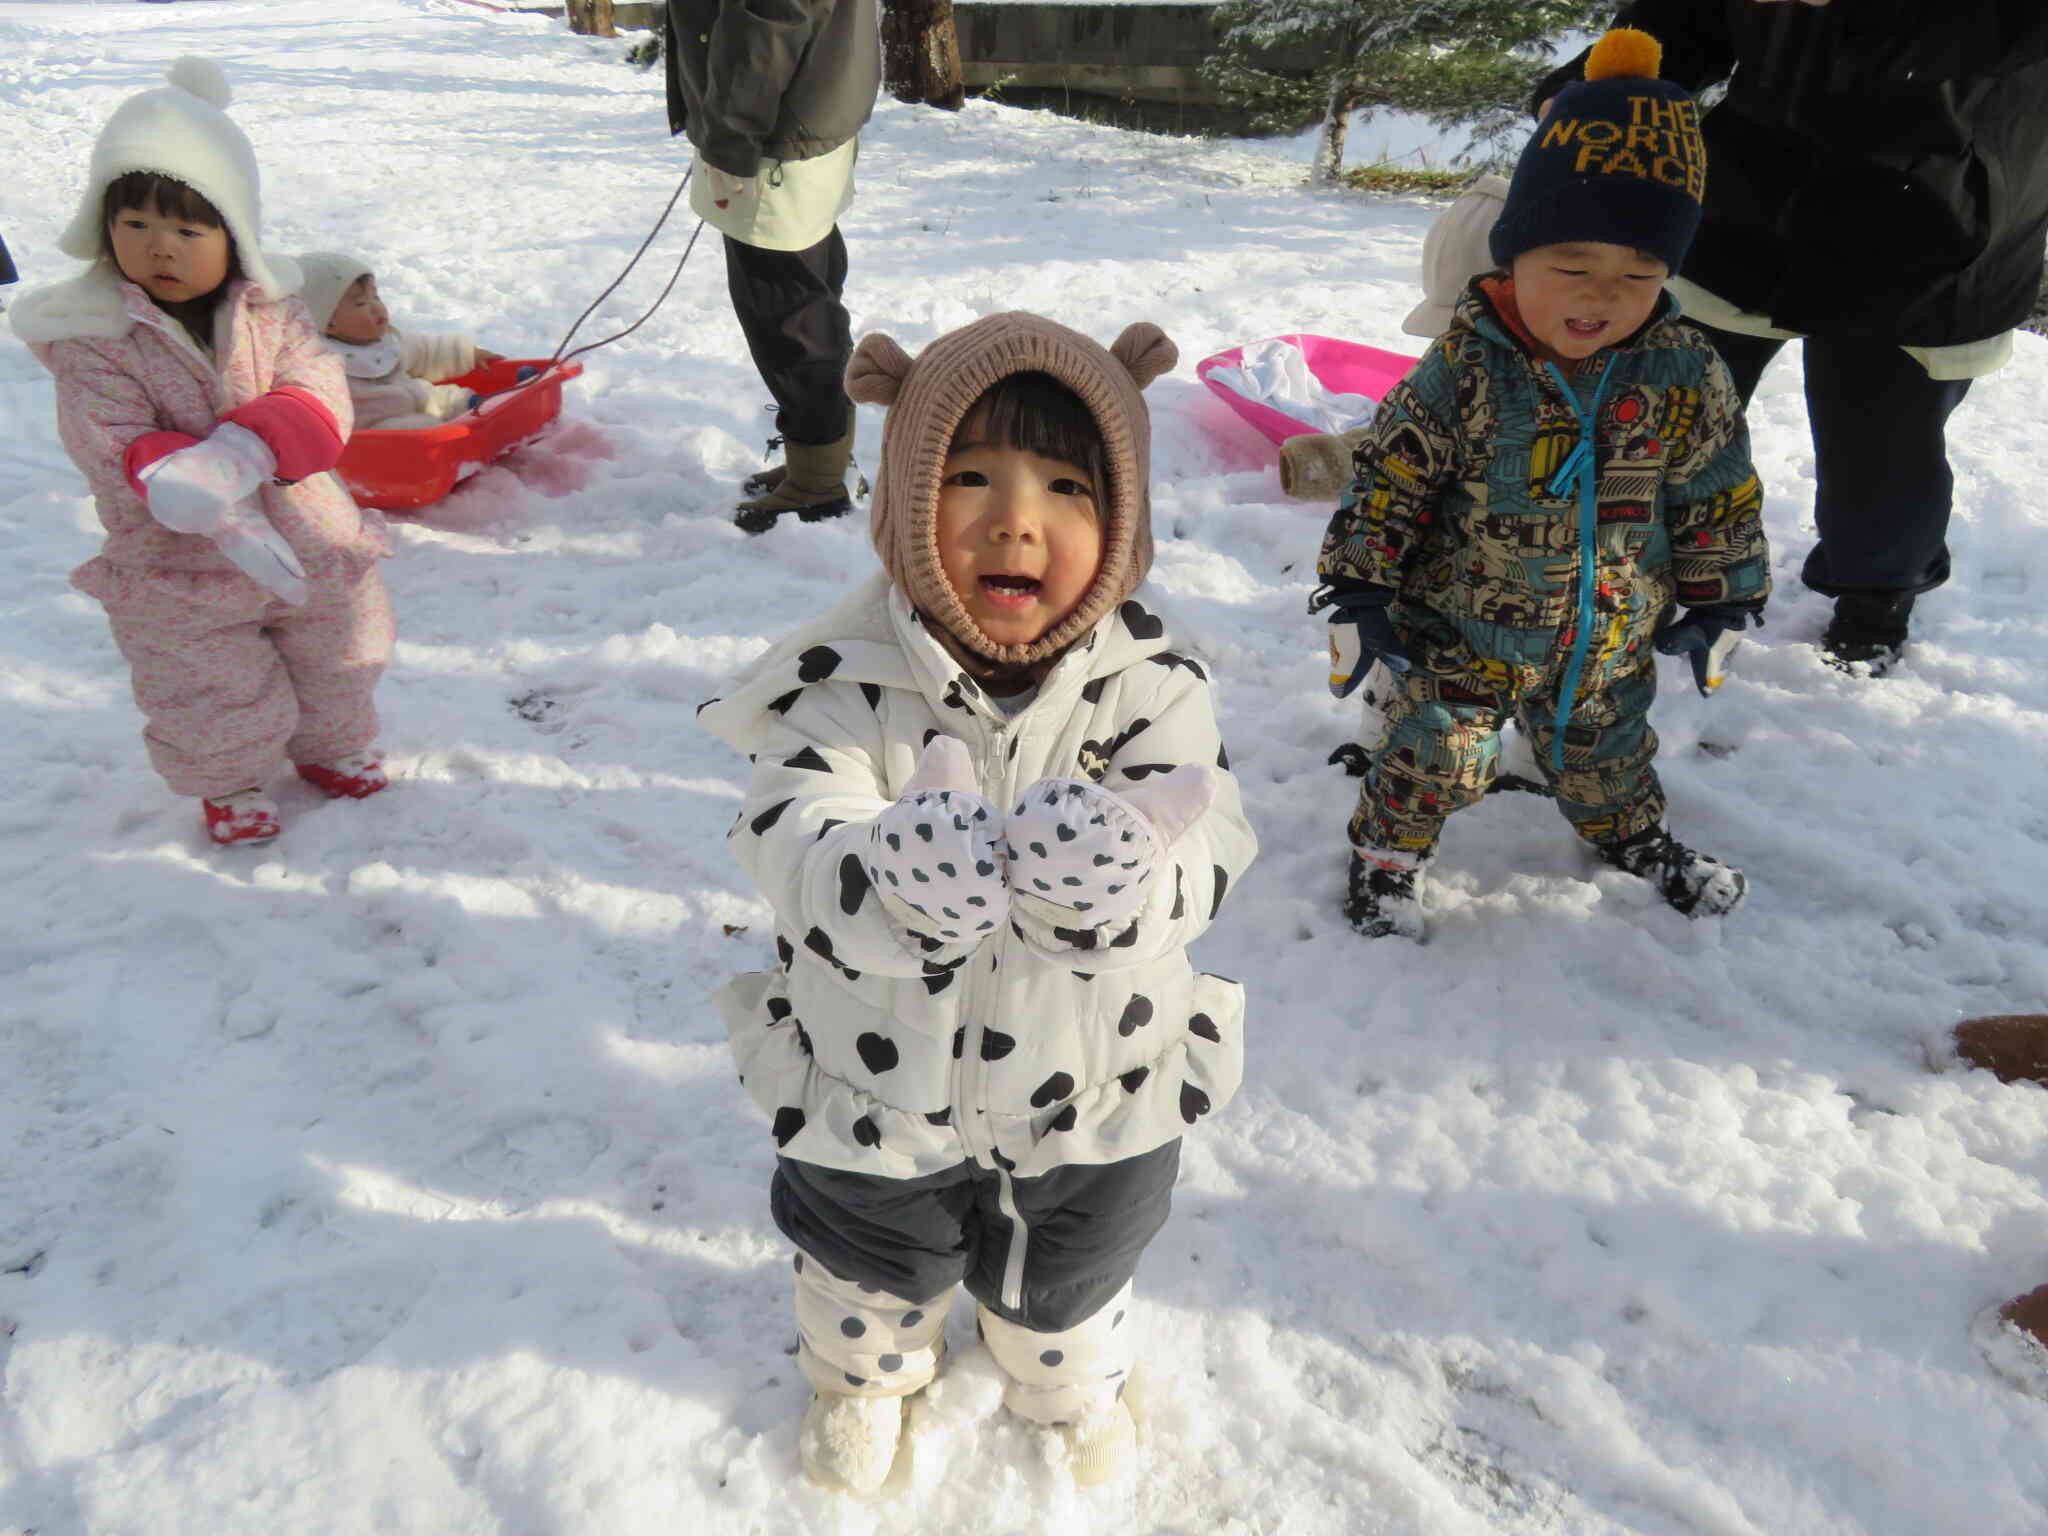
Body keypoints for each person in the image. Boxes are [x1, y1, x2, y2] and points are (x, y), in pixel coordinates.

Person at [698, 313, 1257, 1492]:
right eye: (967, 477)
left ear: (1122, 524)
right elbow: (787, 826)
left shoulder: (1153, 685)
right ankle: (865, 1377)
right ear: (904, 501)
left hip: (1094, 1086)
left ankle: (1060, 1381)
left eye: (1066, 485)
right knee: (862, 1263)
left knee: (1076, 1276)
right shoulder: (842, 680)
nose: (1016, 519)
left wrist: (1125, 879)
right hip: (877, 1089)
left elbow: (1209, 834)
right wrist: (883, 881)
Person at [1313, 28, 1770, 941]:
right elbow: (1390, 479)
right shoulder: (1465, 370)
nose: (1602, 296)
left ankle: (1633, 836)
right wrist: (1361, 584)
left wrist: (1724, 595)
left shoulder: (1685, 370)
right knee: (1435, 751)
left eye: (1640, 275)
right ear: (1514, 258)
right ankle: (1386, 860)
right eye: (1573, 268)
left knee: (1608, 750)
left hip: (1608, 631)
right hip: (1465, 624)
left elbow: (1716, 485)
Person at [1537, 1, 2048, 673]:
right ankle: (1637, 563)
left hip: (1938, 218)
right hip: (1753, 203)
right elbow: (1684, 21)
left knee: (1882, 450)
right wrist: (1595, 92)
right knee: (1665, 410)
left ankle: (1875, 599)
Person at [8, 58, 394, 846]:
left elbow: (322, 394)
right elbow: (103, 431)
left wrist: (248, 448)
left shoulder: (274, 311)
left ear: (235, 231)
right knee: (205, 686)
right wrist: (181, 477)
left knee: (341, 652)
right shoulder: (92, 333)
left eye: (189, 229)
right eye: (136, 225)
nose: (161, 249)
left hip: (308, 536)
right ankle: (232, 781)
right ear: (102, 225)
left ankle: (328, 746)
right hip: (173, 562)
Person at [662, 0, 878, 533]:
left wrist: (729, 136)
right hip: (803, 116)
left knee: (790, 317)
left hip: (775, 134)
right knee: (808, 304)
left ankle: (818, 484)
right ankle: (822, 457)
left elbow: (769, 19)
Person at [295, 253, 507, 431]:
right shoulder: (323, 363)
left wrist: (468, 354)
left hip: (420, 400)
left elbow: (427, 351)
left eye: (376, 297)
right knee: (419, 426)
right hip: (375, 432)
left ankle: (488, 405)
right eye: (360, 303)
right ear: (326, 321)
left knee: (453, 400)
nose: (376, 307)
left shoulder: (388, 340)